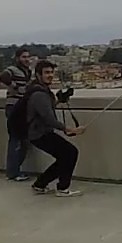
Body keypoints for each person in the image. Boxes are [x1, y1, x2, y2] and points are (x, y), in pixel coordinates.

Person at [20, 60, 86, 197]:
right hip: (40, 134)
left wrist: (59, 100)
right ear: (38, 75)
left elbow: (44, 110)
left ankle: (40, 184)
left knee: (65, 156)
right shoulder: (39, 94)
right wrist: (70, 129)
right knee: (70, 153)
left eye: (51, 72)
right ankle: (62, 188)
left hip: (38, 133)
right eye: (46, 73)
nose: (50, 75)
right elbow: (49, 119)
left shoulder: (39, 90)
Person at [0, 47, 34, 181]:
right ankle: (13, 172)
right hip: (13, 107)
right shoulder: (13, 69)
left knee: (22, 140)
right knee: (16, 140)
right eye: (24, 57)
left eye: (28, 57)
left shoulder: (28, 72)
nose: (27, 59)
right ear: (18, 58)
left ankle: (14, 170)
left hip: (22, 108)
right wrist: (13, 86)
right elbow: (3, 76)